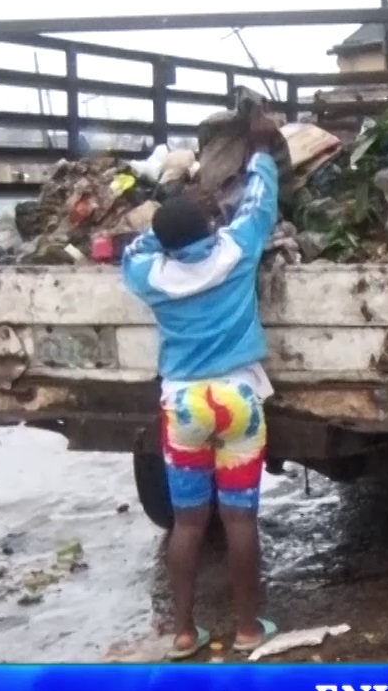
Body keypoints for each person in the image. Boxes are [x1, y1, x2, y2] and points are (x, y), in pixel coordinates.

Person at [121, 106, 282, 659]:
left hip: (184, 406)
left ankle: (185, 632)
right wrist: (260, 151)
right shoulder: (235, 253)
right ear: (210, 229)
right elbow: (261, 204)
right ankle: (246, 629)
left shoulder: (151, 276)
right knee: (240, 519)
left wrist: (159, 234)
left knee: (189, 523)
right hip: (238, 400)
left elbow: (133, 251)